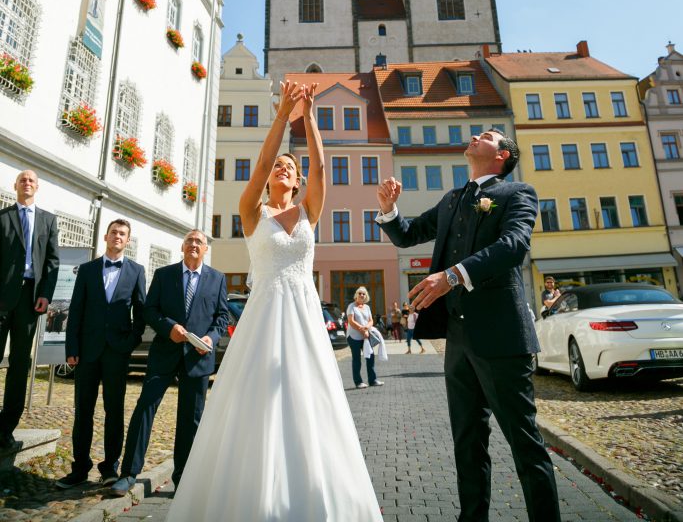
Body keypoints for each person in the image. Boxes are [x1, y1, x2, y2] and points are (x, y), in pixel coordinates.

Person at [166, 81, 383, 520]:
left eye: (290, 166)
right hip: (264, 318)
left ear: (297, 180)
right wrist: (283, 115)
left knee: (309, 399)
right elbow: (263, 160)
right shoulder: (253, 211)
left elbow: (320, 168)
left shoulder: (309, 211)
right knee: (256, 402)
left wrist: (310, 118)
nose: (282, 168)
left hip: (303, 317)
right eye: (279, 166)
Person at [376, 130, 561, 522]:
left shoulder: (517, 193)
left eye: (488, 135)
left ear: (502, 156)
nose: (476, 135)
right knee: (467, 441)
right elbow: (408, 235)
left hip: (502, 337)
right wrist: (389, 210)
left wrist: (453, 275)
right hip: (458, 342)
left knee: (525, 443)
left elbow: (514, 246)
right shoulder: (451, 200)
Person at [110, 230, 228, 496]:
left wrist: (211, 337)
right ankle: (129, 474)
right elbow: (150, 310)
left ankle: (183, 480)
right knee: (144, 410)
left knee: (190, 420)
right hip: (164, 354)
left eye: (199, 242)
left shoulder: (217, 279)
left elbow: (222, 317)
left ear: (206, 249)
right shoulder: (165, 275)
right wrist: (168, 327)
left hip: (197, 359)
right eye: (190, 241)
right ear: (182, 247)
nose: (194, 245)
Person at [56, 219, 146, 489]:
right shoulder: (87, 269)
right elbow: (76, 310)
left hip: (117, 352)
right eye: (114, 232)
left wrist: (131, 342)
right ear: (106, 236)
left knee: (114, 410)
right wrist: (71, 349)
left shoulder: (137, 271)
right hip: (86, 351)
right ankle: (79, 468)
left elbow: (140, 312)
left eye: (123, 234)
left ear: (127, 241)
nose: (117, 237)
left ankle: (110, 468)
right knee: (83, 410)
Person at [0, 170, 59, 449]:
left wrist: (45, 295)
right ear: (15, 186)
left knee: (20, 362)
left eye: (31, 180)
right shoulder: (3, 217)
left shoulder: (48, 220)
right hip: (1, 298)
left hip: (30, 299)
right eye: (22, 180)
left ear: (38, 187)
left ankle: (6, 426)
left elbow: (52, 263)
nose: (27, 183)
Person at [346, 286, 384, 388]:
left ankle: (373, 380)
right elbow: (351, 321)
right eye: (360, 293)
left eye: (364, 294)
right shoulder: (351, 306)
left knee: (370, 357)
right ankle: (358, 382)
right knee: (357, 359)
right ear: (356, 295)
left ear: (366, 296)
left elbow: (371, 320)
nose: (362, 295)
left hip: (365, 336)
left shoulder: (367, 307)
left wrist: (367, 327)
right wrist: (362, 329)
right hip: (353, 337)